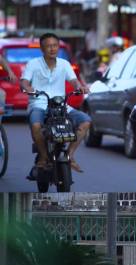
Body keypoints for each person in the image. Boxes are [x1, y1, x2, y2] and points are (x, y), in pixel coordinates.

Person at [20, 33, 91, 174]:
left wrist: (79, 87)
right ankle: (44, 157)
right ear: (42, 48)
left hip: (61, 105)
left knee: (86, 121)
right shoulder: (33, 64)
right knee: (35, 125)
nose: (52, 49)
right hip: (39, 104)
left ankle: (69, 155)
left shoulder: (64, 64)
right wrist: (27, 88)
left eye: (55, 45)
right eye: (48, 46)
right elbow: (24, 82)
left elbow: (74, 80)